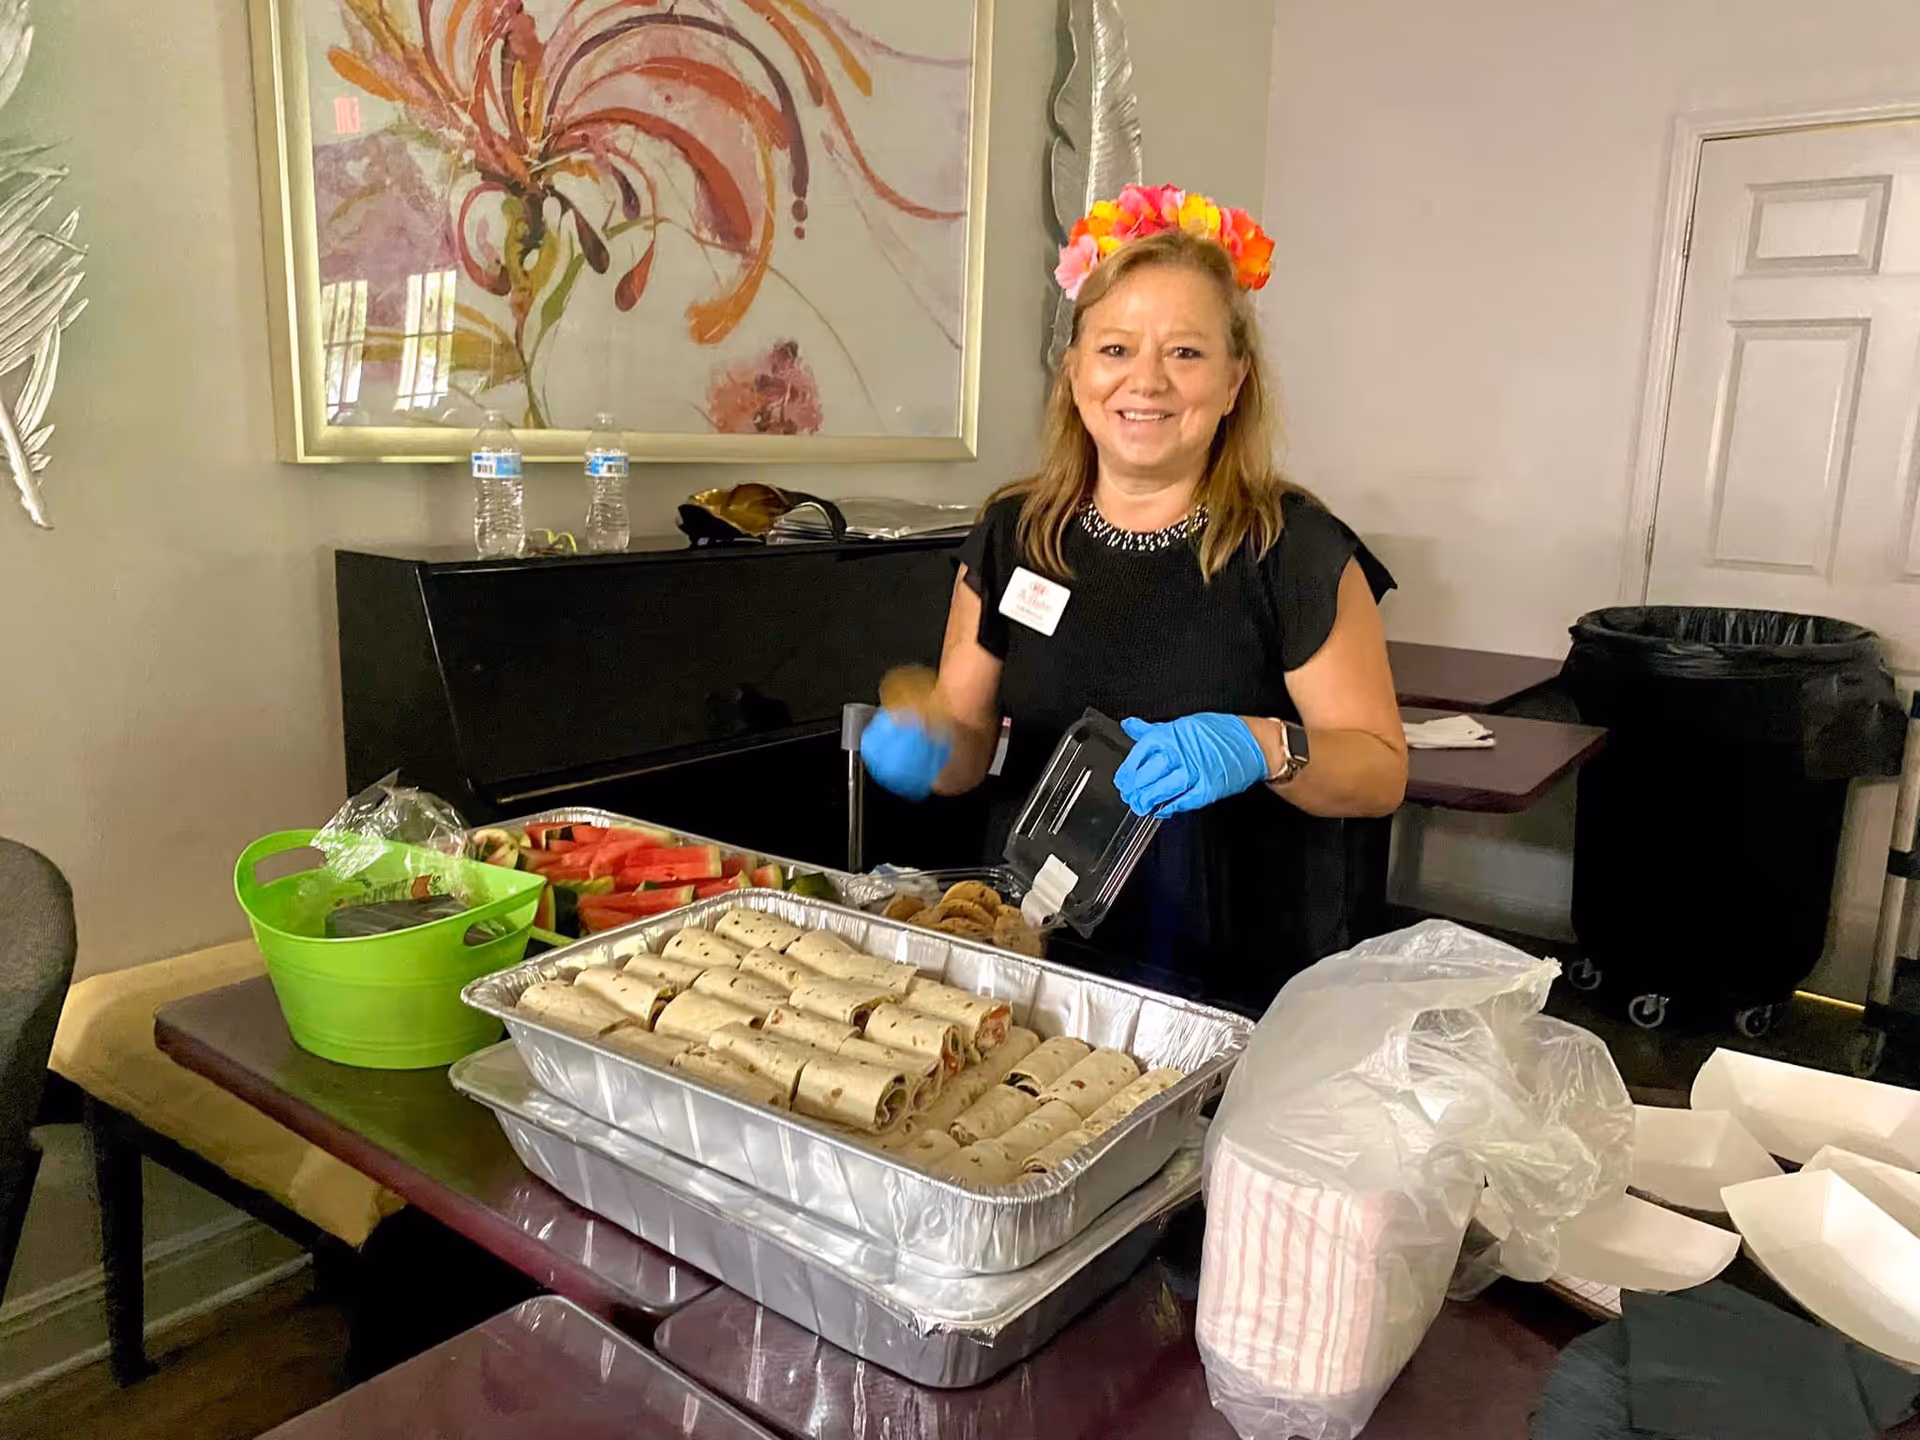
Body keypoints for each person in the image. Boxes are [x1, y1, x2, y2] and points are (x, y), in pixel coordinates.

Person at [862, 185, 1407, 1013]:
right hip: (1036, 951)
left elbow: (1379, 772)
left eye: (1185, 353)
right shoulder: (1016, 532)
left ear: (1235, 381)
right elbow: (967, 744)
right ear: (1075, 370)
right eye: (1115, 348)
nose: (1145, 381)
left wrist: (1259, 745)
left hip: (1236, 968)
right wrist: (929, 744)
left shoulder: (1293, 548)